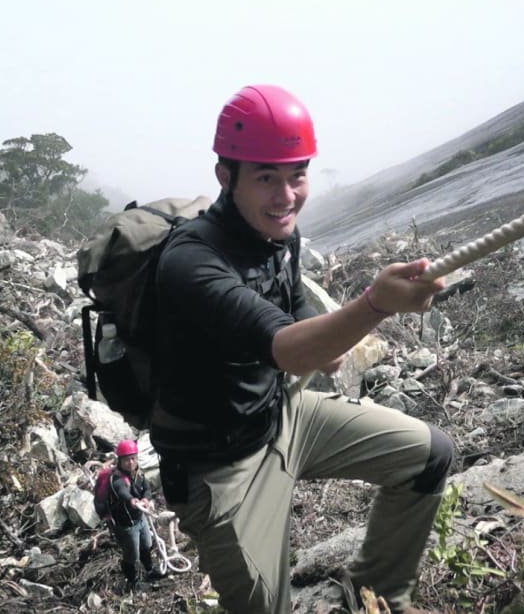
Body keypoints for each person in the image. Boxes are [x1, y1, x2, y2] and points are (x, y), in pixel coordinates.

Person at [150, 84, 454, 614]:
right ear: (227, 177)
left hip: (281, 416)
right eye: (267, 177)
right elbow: (290, 350)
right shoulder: (190, 263)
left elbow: (316, 342)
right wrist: (374, 305)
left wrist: (340, 331)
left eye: (297, 175)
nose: (286, 195)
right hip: (220, 468)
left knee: (429, 455)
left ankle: (376, 594)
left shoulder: (277, 236)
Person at [108, 439, 166, 590]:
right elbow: (121, 491)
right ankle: (132, 581)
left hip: (140, 518)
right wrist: (132, 500)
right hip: (126, 524)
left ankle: (149, 570)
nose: (130, 462)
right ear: (120, 460)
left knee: (146, 544)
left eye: (133, 458)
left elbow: (146, 488)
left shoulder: (138, 473)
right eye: (126, 459)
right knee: (132, 554)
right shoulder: (117, 477)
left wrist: (146, 498)